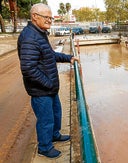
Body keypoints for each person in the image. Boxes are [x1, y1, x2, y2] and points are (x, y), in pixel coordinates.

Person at [17, 3, 79, 159]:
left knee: (55, 114)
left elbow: (50, 55)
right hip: (41, 89)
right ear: (34, 17)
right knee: (46, 119)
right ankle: (44, 147)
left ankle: (54, 135)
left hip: (49, 88)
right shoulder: (29, 37)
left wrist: (68, 58)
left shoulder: (39, 33)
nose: (50, 20)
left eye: (51, 17)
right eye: (47, 17)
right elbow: (28, 69)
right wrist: (48, 83)